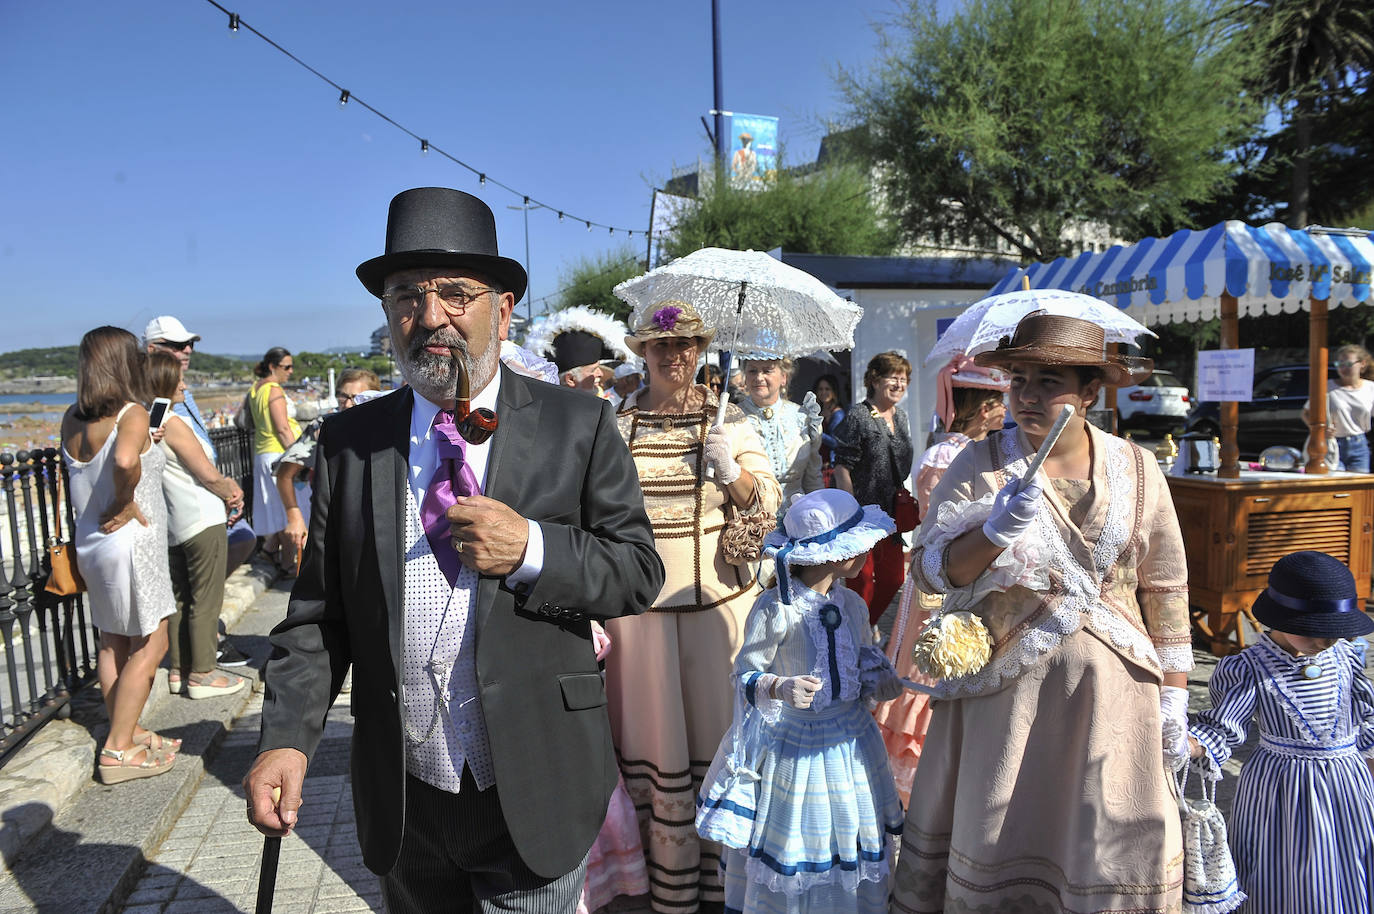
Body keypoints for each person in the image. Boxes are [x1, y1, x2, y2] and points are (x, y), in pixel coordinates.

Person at [244, 187, 664, 914]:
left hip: (535, 783)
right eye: (406, 295)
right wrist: (285, 738)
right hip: (405, 801)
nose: (430, 316)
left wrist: (531, 547)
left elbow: (636, 572)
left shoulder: (579, 424)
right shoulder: (351, 444)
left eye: (455, 294)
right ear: (387, 316)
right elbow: (317, 617)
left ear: (502, 310)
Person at [888, 312, 1190, 913]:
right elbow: (927, 571)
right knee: (1005, 832)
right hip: (1008, 703)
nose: (1026, 396)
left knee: (1105, 839)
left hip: (1111, 702)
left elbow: (1166, 587)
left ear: (1090, 392)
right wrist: (994, 531)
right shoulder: (978, 464)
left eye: (1049, 382)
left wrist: (1176, 697)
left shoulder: (1138, 467)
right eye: (1019, 379)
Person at [605, 301, 781, 913]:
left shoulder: (728, 420)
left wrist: (730, 472)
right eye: (661, 347)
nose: (674, 356)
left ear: (701, 352)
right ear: (642, 354)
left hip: (717, 613)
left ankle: (724, 884)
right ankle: (664, 883)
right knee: (653, 743)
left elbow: (767, 506)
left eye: (685, 346)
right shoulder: (615, 421)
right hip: (637, 617)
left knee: (719, 737)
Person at [696, 489, 905, 913]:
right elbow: (745, 674)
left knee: (845, 826)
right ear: (835, 554)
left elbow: (859, 654)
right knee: (798, 836)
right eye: (860, 544)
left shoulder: (851, 604)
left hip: (850, 739)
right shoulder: (776, 609)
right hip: (794, 745)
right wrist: (779, 686)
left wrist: (877, 676)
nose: (867, 551)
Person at [1187, 550, 1374, 913]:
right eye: (1315, 632)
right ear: (1281, 618)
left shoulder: (1346, 657)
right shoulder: (1250, 669)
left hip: (1347, 784)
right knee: (1291, 867)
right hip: (1283, 789)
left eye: (1333, 632)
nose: (1326, 642)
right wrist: (1192, 745)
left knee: (1348, 856)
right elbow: (1225, 726)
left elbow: (1363, 715)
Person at [872, 355, 1007, 804]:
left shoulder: (969, 452)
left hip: (959, 572)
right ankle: (928, 774)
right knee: (932, 660)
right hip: (942, 575)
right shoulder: (952, 455)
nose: (1005, 411)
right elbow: (943, 522)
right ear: (984, 408)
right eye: (999, 402)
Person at [61, 327, 179, 783]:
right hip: (130, 539)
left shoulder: (72, 417)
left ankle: (124, 729)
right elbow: (126, 461)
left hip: (91, 542)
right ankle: (118, 749)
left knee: (112, 640)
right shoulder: (130, 413)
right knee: (153, 642)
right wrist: (125, 500)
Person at [144, 316, 253, 658]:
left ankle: (188, 656)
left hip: (194, 503)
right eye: (177, 345)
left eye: (189, 344)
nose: (187, 350)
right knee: (200, 594)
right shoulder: (158, 404)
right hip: (189, 507)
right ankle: (203, 661)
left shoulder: (179, 393)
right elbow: (196, 465)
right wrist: (227, 490)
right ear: (153, 350)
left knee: (196, 588)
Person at [833, 351, 914, 625]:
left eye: (904, 379)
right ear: (875, 380)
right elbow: (842, 465)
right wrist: (849, 508)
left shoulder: (901, 417)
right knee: (862, 581)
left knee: (894, 579)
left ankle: (866, 626)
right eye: (894, 377)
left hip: (891, 517)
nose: (900, 384)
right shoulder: (858, 415)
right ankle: (859, 635)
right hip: (863, 515)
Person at [277, 368, 383, 575]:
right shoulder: (323, 428)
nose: (349, 403)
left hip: (377, 523)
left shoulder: (387, 429)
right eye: (344, 396)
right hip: (330, 523)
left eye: (357, 397)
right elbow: (284, 474)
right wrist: (294, 517)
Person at [738, 357, 822, 517]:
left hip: (799, 517)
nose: (759, 377)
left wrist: (820, 512)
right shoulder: (733, 418)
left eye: (767, 370)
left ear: (784, 377)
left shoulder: (803, 417)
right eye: (752, 370)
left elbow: (812, 478)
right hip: (751, 520)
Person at [247, 347, 301, 569]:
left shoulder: (255, 389)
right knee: (287, 510)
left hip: (263, 452)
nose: (290, 371)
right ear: (272, 367)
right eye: (286, 367)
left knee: (278, 509)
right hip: (278, 454)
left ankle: (271, 550)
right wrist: (300, 458)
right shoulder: (274, 390)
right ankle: (289, 565)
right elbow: (282, 429)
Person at [1303, 343, 1374, 472]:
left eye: (1347, 364)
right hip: (1332, 443)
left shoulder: (1370, 388)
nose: (1342, 368)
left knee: (1357, 487)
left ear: (1362, 364)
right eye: (1339, 364)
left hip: (1359, 444)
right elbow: (1305, 413)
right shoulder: (1327, 387)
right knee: (1334, 484)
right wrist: (1319, 430)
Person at [812, 373, 846, 487]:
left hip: (830, 468)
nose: (823, 392)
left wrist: (817, 431)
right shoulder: (819, 411)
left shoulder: (838, 413)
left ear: (834, 391)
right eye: (820, 389)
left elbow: (836, 442)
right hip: (818, 466)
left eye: (827, 389)